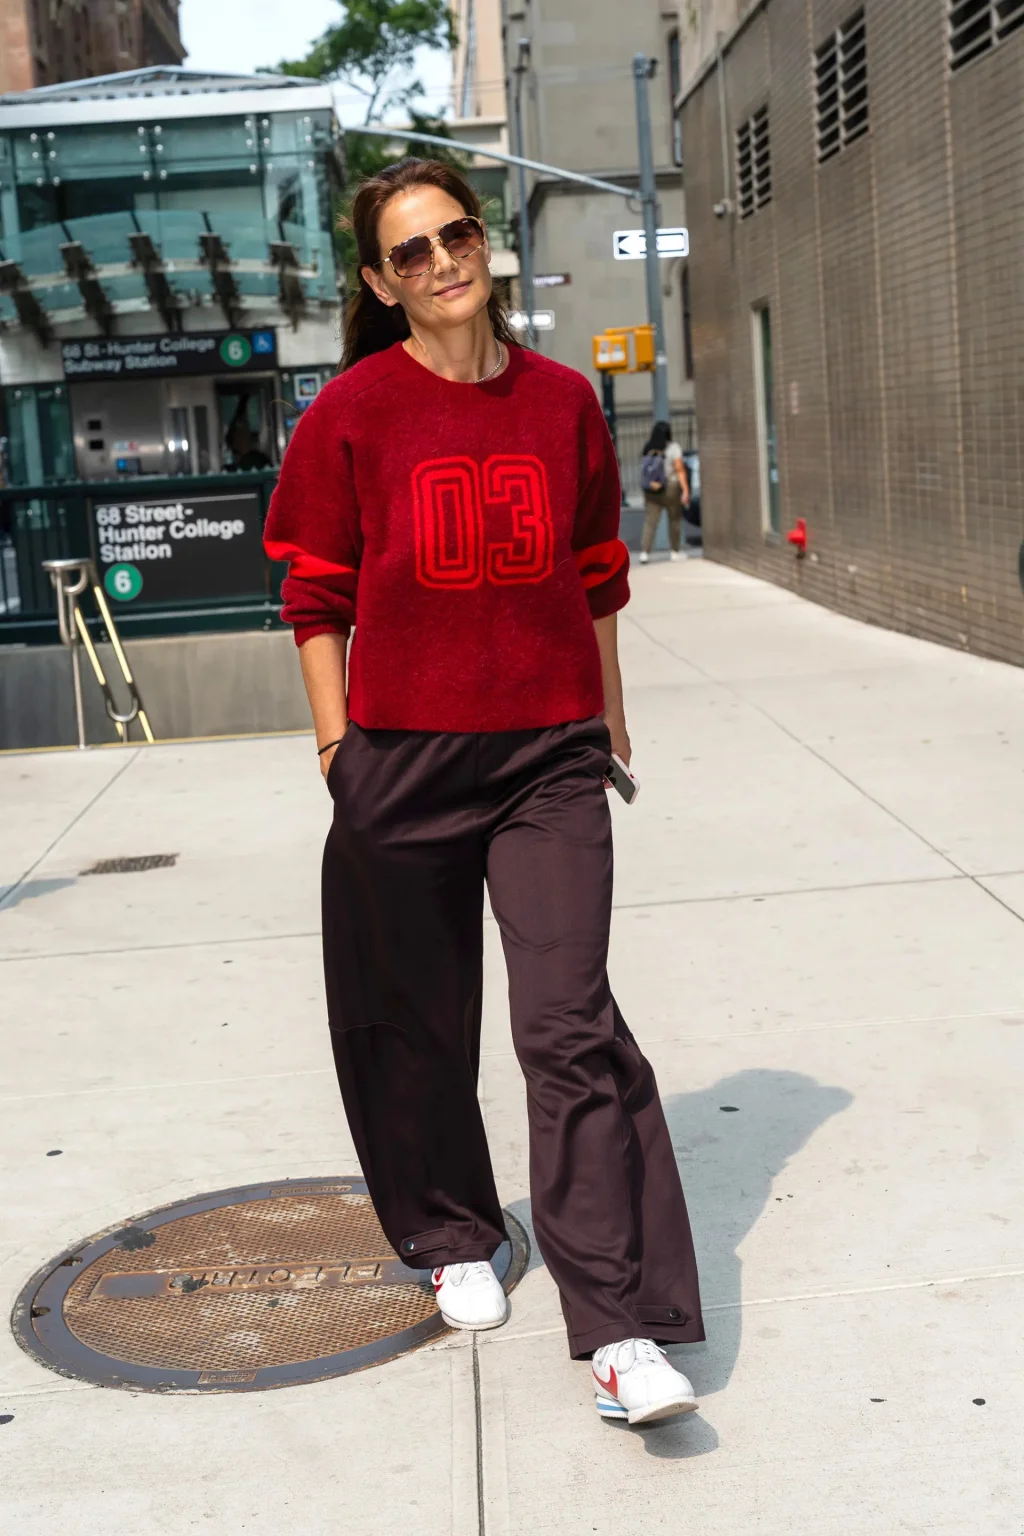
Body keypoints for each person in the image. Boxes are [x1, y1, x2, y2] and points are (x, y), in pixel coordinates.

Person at [263, 158, 704, 1427]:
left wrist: (609, 714)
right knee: (419, 1017)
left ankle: (616, 1329)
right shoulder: (351, 414)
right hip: (400, 757)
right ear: (378, 280)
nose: (443, 261)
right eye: (410, 251)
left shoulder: (562, 403)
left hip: (546, 757)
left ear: (484, 244)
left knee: (567, 1025)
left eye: (455, 234)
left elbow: (597, 572)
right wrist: (338, 750)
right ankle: (456, 1230)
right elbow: (313, 593)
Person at [639, 420, 690, 565]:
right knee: (674, 519)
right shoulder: (673, 448)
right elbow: (679, 470)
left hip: (651, 489)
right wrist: (685, 490)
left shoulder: (647, 447)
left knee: (650, 521)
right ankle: (675, 552)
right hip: (670, 488)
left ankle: (644, 553)